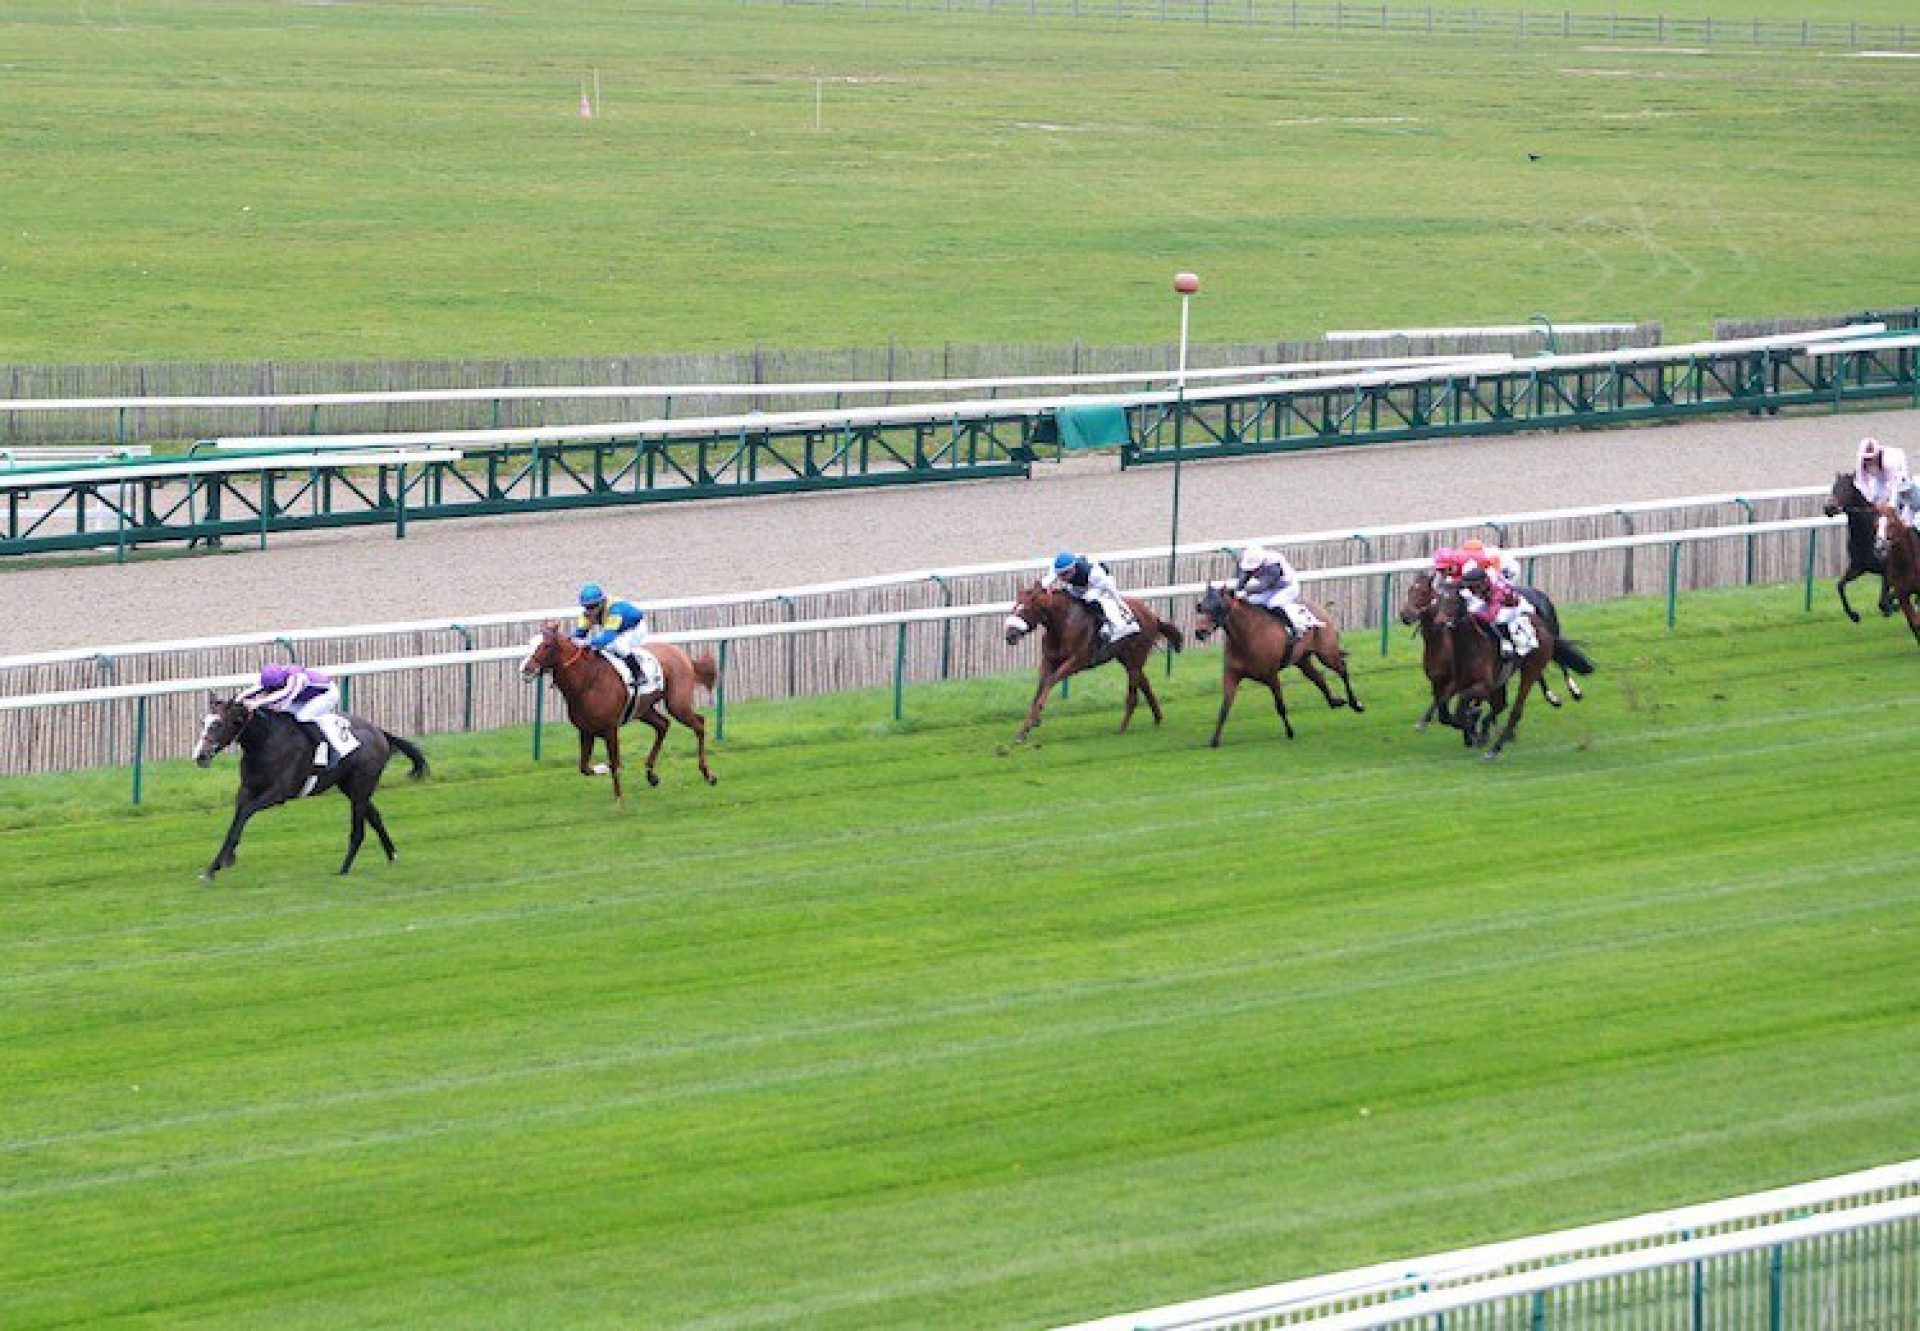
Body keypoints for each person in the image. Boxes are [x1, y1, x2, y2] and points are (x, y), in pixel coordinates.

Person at [237, 662, 342, 759]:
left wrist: (257, 703)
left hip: (326, 694)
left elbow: (286, 696)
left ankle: (327, 747)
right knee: (282, 713)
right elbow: (253, 690)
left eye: (275, 688)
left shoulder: (296, 678)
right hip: (305, 695)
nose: (271, 691)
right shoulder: (272, 678)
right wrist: (237, 700)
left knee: (303, 716)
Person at [1043, 551, 1138, 644]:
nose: (1061, 578)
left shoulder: (1095, 574)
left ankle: (1105, 624)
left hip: (1100, 585)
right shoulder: (1059, 569)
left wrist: (1120, 604)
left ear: (1073, 568)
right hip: (1081, 585)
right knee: (1067, 593)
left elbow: (1111, 589)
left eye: (1064, 574)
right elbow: (1045, 582)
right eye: (1059, 574)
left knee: (1089, 597)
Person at [1232, 546, 1320, 646]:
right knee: (1251, 601)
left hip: (1288, 587)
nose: (1252, 572)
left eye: (1255, 569)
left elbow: (1263, 586)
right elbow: (1244, 578)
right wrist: (1237, 590)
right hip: (1272, 587)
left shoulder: (1273, 565)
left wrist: (1245, 592)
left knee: (1273, 603)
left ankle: (1294, 628)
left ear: (1261, 563)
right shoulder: (1250, 563)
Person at [570, 582, 652, 686]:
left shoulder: (614, 610)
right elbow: (579, 633)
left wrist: (587, 642)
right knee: (603, 648)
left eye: (593, 606)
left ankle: (639, 674)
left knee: (619, 646)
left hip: (635, 628)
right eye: (587, 607)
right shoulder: (587, 614)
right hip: (618, 629)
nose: (590, 610)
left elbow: (608, 637)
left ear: (602, 602)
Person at [1459, 565, 1538, 659]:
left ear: (1485, 582)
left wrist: (1473, 614)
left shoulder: (1498, 591)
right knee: (1473, 609)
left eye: (1474, 587)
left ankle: (1509, 642)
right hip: (1495, 605)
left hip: (1517, 608)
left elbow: (1491, 616)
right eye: (1469, 588)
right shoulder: (1485, 586)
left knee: (1497, 619)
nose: (1471, 591)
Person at [1855, 437, 1918, 527]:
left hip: (1898, 479)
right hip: (1880, 479)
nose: (1869, 462)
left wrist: (1891, 506)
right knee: (1876, 499)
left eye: (1872, 459)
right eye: (1866, 459)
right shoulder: (1861, 462)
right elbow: (1862, 483)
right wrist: (1870, 502)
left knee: (1899, 500)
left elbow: (1894, 486)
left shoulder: (1890, 461)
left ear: (1877, 455)